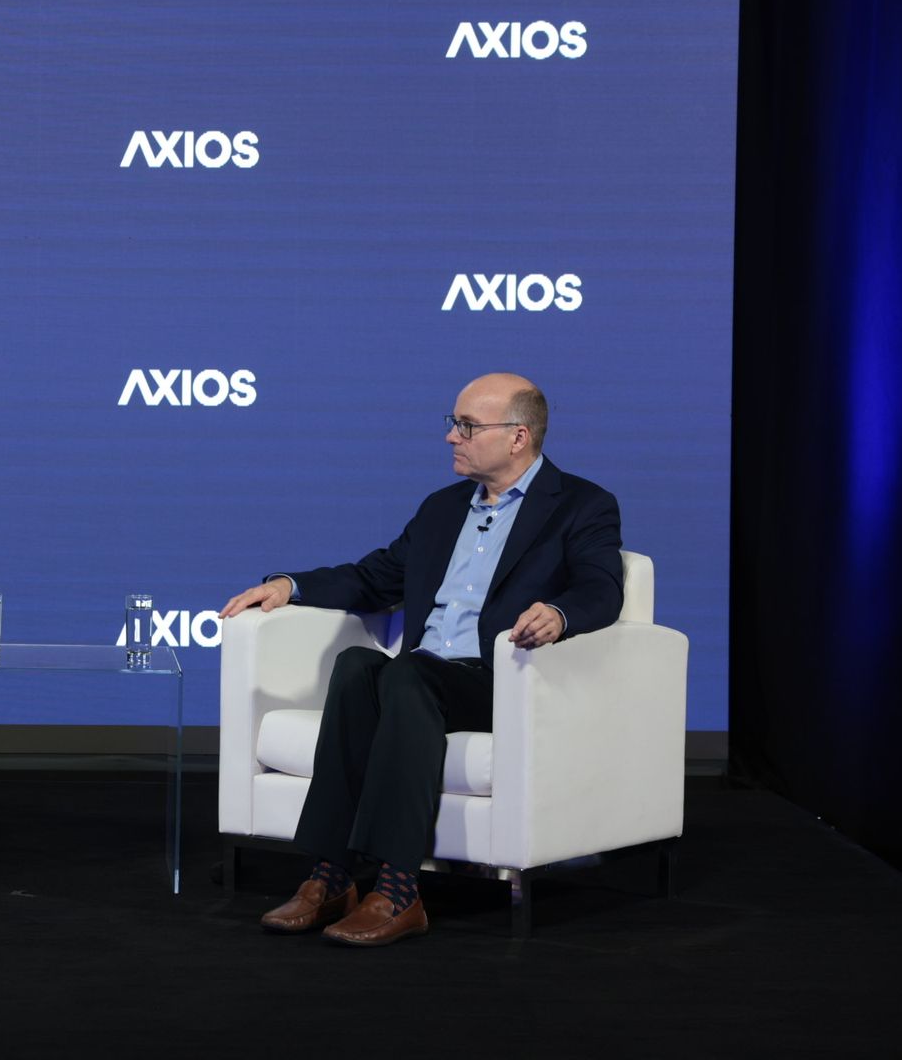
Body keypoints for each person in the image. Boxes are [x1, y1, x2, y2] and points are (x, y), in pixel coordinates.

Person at [218, 373, 623, 946]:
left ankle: (398, 889)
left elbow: (602, 587)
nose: (452, 438)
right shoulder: (441, 509)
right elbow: (374, 576)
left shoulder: (581, 505)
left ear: (518, 437)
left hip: (501, 679)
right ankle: (331, 875)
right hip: (423, 678)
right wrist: (290, 585)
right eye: (453, 423)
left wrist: (558, 613)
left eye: (468, 426)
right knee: (359, 668)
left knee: (407, 675)